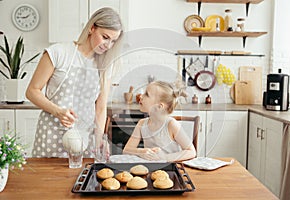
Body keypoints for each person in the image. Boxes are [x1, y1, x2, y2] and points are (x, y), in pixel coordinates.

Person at [26, 7, 123, 158]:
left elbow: (100, 107)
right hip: (51, 135)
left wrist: (99, 140)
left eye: (113, 41)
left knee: (81, 179)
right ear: (92, 28)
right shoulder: (59, 52)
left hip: (85, 139)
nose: (108, 45)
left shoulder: (105, 65)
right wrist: (58, 111)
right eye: (105, 37)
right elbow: (32, 91)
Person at [123, 80, 197, 162]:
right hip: (151, 169)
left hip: (171, 169)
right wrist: (142, 152)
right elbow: (126, 150)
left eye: (146, 94)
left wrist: (164, 158)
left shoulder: (171, 125)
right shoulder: (141, 124)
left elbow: (191, 152)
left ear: (159, 106)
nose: (141, 96)